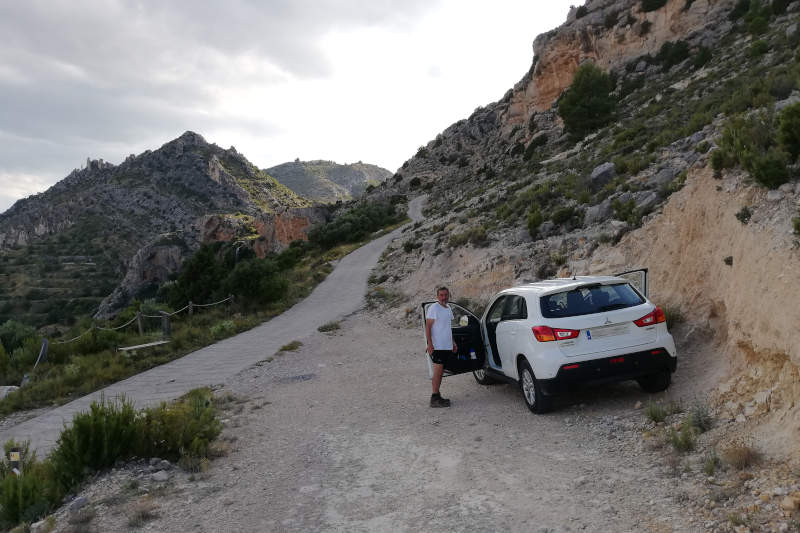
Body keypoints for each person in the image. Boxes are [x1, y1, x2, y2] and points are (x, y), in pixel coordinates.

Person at [425, 286, 457, 408]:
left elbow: (448, 328)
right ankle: (434, 397)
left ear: (448, 295)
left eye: (445, 295)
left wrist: (453, 342)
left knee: (440, 372)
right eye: (441, 295)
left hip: (446, 346)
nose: (444, 297)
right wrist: (430, 344)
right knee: (437, 373)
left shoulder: (448, 308)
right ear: (437, 296)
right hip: (438, 346)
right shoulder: (434, 308)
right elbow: (428, 326)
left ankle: (437, 396)